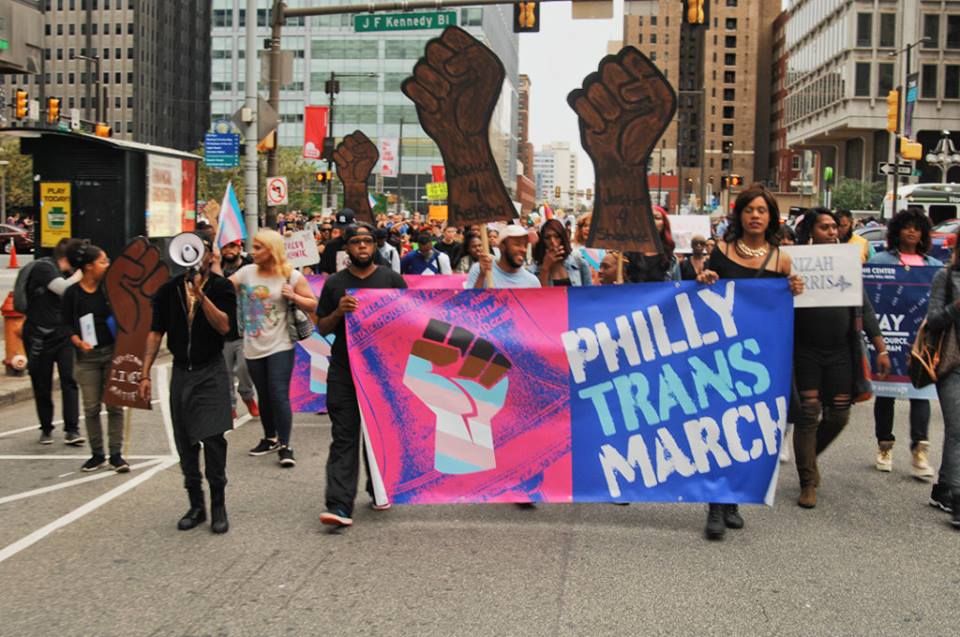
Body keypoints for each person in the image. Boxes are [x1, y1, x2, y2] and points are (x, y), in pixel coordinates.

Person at [697, 184, 804, 540]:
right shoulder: (721, 252)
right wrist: (705, 280)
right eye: (749, 209)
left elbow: (784, 314)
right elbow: (703, 298)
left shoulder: (781, 260)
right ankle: (715, 504)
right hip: (722, 357)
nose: (755, 215)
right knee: (719, 426)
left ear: (771, 217)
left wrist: (795, 289)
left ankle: (733, 500)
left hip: (760, 362)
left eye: (762, 210)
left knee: (747, 429)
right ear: (739, 214)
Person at [790, 209, 890, 508]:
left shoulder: (848, 262)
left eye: (834, 227)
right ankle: (807, 481)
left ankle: (809, 457)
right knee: (808, 416)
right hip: (805, 351)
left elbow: (865, 308)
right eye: (824, 228)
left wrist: (880, 347)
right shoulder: (793, 262)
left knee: (839, 415)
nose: (832, 232)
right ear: (811, 232)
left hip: (841, 352)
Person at [140, 232, 236, 534]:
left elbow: (224, 326)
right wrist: (144, 373)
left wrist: (201, 295)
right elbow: (156, 333)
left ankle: (218, 504)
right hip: (182, 373)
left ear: (210, 255)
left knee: (214, 439)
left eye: (202, 251)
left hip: (211, 371)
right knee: (185, 441)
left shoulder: (222, 288)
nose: (196, 257)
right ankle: (196, 504)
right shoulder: (167, 291)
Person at [317, 223, 408, 527]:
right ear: (347, 248)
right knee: (344, 435)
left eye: (368, 241)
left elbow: (408, 322)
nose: (362, 247)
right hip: (344, 370)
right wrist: (339, 312)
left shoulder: (391, 280)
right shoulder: (334, 285)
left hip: (381, 371)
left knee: (380, 431)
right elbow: (322, 327)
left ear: (375, 246)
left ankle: (378, 487)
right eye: (356, 242)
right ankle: (339, 505)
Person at [228, 229, 318, 467]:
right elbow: (222, 289)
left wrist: (294, 297)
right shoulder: (246, 273)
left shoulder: (291, 276)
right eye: (253, 247)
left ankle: (286, 446)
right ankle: (270, 438)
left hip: (281, 344)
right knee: (264, 393)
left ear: (272, 250)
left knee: (278, 393)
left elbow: (313, 304)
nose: (252, 252)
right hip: (252, 344)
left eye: (258, 248)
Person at [868, 209, 941, 477]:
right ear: (896, 230)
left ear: (923, 233)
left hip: (919, 343)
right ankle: (884, 446)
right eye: (906, 227)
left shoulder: (933, 265)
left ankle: (919, 451)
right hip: (889, 337)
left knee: (921, 393)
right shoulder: (880, 260)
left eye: (917, 228)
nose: (911, 232)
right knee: (886, 391)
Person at [62, 243, 128, 473]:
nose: (106, 265)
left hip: (112, 353)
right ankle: (97, 454)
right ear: (89, 266)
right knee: (91, 407)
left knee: (115, 406)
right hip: (86, 357)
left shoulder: (109, 289)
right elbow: (66, 323)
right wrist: (77, 341)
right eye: (103, 261)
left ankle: (117, 455)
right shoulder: (72, 293)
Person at [24, 237, 84, 446]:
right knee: (42, 382)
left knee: (70, 380)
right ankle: (46, 428)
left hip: (63, 334)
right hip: (39, 336)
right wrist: (81, 274)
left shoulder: (65, 272)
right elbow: (64, 289)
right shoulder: (45, 268)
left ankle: (72, 430)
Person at [925, 224, 960, 525]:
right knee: (958, 428)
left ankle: (944, 487)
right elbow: (933, 320)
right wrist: (956, 307)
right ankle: (957, 498)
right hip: (952, 364)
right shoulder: (946, 277)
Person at [218, 240, 258, 419]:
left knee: (244, 369)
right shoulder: (216, 270)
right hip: (222, 332)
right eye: (225, 247)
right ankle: (230, 406)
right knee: (224, 373)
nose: (229, 250)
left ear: (239, 249)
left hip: (245, 330)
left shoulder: (251, 268)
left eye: (232, 246)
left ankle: (247, 396)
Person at [468, 225, 542, 289]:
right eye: (517, 244)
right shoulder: (479, 269)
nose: (523, 250)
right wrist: (482, 276)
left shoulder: (533, 282)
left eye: (525, 245)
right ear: (502, 246)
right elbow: (468, 303)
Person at [528, 218, 593, 286]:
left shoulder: (579, 261)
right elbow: (540, 295)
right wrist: (545, 268)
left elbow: (588, 292)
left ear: (563, 238)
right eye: (547, 237)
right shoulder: (533, 270)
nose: (552, 241)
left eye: (556, 236)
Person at [625, 206, 680, 282]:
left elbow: (677, 287)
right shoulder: (626, 254)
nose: (652, 221)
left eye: (657, 218)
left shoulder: (672, 260)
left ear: (664, 224)